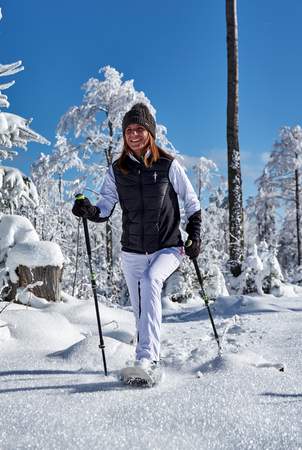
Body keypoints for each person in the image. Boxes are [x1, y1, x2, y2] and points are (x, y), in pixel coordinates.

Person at [72, 103, 201, 373]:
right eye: (129, 130)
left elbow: (192, 202)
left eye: (139, 129)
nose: (133, 134)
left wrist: (195, 235)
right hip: (132, 251)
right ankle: (146, 357)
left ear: (150, 133)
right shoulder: (117, 171)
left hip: (168, 246)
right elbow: (105, 208)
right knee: (141, 309)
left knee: (151, 280)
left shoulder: (168, 165)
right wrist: (89, 211)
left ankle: (146, 360)